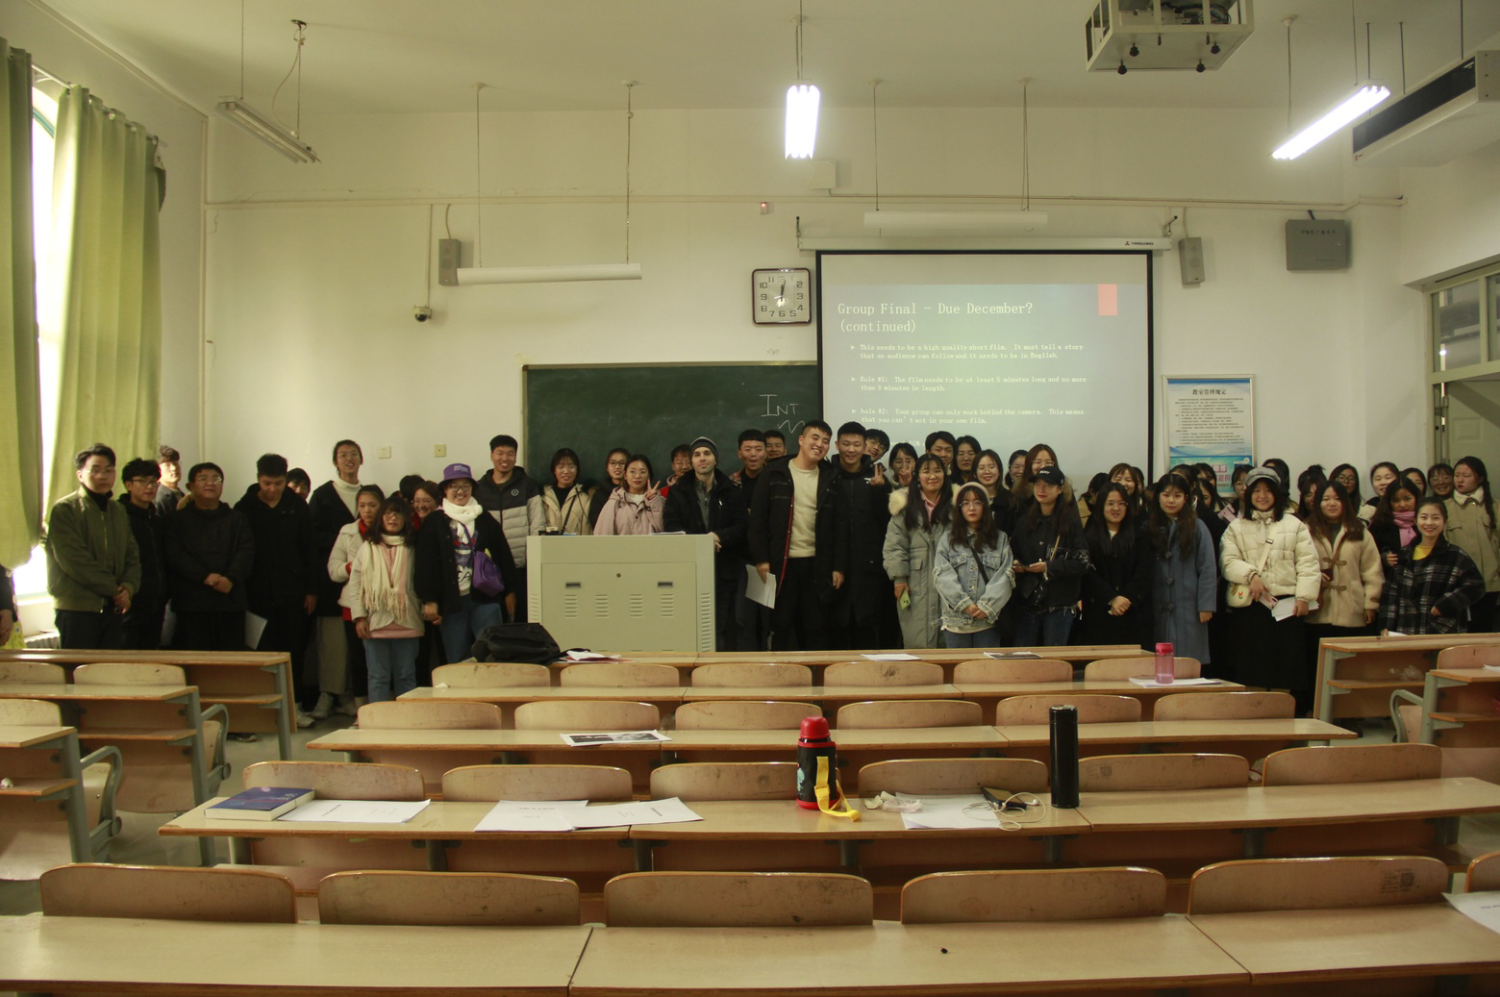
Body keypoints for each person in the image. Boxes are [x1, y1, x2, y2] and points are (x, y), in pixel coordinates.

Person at [1220, 466, 1320, 713]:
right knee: (1252, 666)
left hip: (1286, 607)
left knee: (1285, 667)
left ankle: (1281, 716)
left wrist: (1305, 596)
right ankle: (1254, 716)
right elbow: (1227, 561)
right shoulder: (1236, 527)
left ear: (1277, 493)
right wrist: (1250, 575)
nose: (1262, 496)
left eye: (1267, 490)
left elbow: (1308, 563)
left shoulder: (1295, 525)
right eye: (1256, 490)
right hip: (1252, 607)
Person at [748, 420, 850, 651]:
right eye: (815, 438)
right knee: (780, 624)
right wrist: (761, 559)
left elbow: (841, 526)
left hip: (818, 564)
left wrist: (839, 567)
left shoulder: (831, 477)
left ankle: (814, 671)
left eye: (825, 441)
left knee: (816, 626)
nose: (820, 444)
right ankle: (781, 671)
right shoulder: (774, 472)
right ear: (801, 440)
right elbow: (757, 521)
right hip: (781, 564)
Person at [235, 453, 319, 724]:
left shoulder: (297, 506)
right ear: (258, 479)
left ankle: (294, 708)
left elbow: (310, 550)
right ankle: (263, 711)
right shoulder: (244, 507)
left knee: (293, 651)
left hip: (293, 593)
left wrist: (311, 590)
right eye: (267, 483)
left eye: (278, 483)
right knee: (261, 653)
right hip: (257, 594)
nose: (272, 489)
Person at [416, 463, 519, 663]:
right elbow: (425, 565)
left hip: (484, 597)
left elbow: (503, 555)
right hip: (452, 601)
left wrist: (510, 590)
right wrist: (430, 599)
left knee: (492, 653)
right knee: (457, 658)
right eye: (454, 486)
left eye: (465, 486)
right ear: (445, 490)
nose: (460, 491)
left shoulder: (484, 518)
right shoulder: (434, 521)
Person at [45, 444, 140, 650]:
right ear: (80, 474)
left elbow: (132, 555)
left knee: (108, 667)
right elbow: (74, 561)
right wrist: (115, 590)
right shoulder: (66, 509)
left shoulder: (118, 510)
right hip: (78, 608)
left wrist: (128, 587)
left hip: (113, 608)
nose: (103, 476)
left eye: (109, 470)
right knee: (79, 667)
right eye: (95, 470)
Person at [663, 436, 747, 650]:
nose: (702, 458)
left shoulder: (731, 490)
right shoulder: (678, 491)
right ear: (691, 461)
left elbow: (741, 526)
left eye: (707, 453)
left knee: (719, 626)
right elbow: (672, 526)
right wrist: (703, 542)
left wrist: (717, 537)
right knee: (689, 627)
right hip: (688, 572)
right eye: (697, 454)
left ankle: (715, 668)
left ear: (715, 459)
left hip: (724, 570)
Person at [164, 462, 255, 651]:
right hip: (191, 603)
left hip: (230, 601)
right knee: (194, 657)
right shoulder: (177, 520)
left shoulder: (237, 518)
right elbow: (175, 554)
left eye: (216, 478)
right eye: (203, 478)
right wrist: (204, 576)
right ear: (190, 486)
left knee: (231, 659)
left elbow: (246, 552)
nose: (210, 483)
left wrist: (230, 578)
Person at [344, 497, 424, 702]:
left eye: (398, 513)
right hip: (375, 622)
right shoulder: (367, 547)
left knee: (406, 676)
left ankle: (407, 717)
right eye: (388, 513)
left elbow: (425, 582)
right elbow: (355, 584)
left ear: (406, 519)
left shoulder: (414, 547)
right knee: (378, 678)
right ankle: (377, 719)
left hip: (408, 621)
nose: (393, 517)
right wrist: (359, 617)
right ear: (381, 517)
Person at [308, 440, 363, 717]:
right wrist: (346, 545)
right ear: (335, 462)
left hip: (364, 586)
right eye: (343, 455)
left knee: (358, 644)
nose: (349, 459)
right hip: (331, 581)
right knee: (332, 644)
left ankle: (350, 695)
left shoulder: (369, 494)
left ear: (361, 460)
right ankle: (328, 695)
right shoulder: (322, 496)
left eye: (354, 454)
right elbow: (313, 537)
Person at [1379, 497, 1487, 636]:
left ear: (1445, 521)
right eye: (1424, 517)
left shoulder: (1456, 555)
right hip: (1406, 629)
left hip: (1443, 630)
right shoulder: (1404, 554)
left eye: (1435, 518)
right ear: (1415, 520)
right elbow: (1391, 594)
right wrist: (1386, 625)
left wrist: (1448, 603)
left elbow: (1476, 586)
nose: (1429, 523)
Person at [1009, 465, 1089, 646]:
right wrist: (1016, 564)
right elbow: (1013, 552)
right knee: (1022, 655)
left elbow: (1083, 562)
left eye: (1048, 485)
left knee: (1053, 657)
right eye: (1038, 484)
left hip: (1059, 603)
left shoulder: (1070, 523)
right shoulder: (1025, 521)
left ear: (1060, 489)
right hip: (1028, 599)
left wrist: (1049, 567)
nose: (1041, 489)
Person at [828, 421, 891, 650]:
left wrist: (879, 491)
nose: (851, 449)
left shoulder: (878, 478)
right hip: (834, 568)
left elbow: (887, 522)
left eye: (857, 444)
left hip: (870, 569)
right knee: (835, 630)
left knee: (867, 629)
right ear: (837, 445)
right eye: (846, 444)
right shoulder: (827, 475)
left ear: (864, 447)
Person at [1304, 481, 1383, 661]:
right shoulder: (1306, 531)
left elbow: (1372, 571)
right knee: (1317, 664)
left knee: (1348, 664)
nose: (1331, 503)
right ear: (1318, 503)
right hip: (1317, 610)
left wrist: (1370, 604)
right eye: (1326, 499)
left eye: (1337, 499)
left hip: (1352, 609)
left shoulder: (1360, 531)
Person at [324, 484, 384, 716]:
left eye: (372, 505)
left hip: (383, 605)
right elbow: (333, 570)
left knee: (381, 660)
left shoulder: (391, 528)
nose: (367, 510)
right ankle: (362, 709)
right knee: (358, 660)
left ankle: (383, 706)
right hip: (354, 604)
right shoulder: (348, 531)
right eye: (362, 505)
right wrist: (353, 567)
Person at [1145, 472, 1216, 666]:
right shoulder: (1148, 527)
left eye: (1177, 495)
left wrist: (1206, 605)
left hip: (1189, 605)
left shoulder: (1197, 526)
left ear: (1186, 499)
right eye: (1166, 495)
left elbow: (1207, 568)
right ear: (1158, 497)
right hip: (1157, 602)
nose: (1171, 500)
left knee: (1188, 660)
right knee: (1159, 662)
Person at [933, 483, 1013, 648]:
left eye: (977, 502)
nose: (971, 508)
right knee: (958, 664)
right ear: (959, 508)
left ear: (985, 506)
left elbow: (1006, 575)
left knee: (986, 665)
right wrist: (964, 604)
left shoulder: (1000, 539)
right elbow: (942, 575)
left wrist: (986, 606)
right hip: (956, 622)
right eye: (966, 503)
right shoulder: (947, 539)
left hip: (988, 622)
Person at [883, 453, 950, 649]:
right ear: (918, 476)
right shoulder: (904, 506)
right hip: (914, 583)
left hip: (950, 583)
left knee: (949, 645)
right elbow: (894, 546)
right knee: (918, 641)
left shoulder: (955, 506)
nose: (932, 476)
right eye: (926, 471)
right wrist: (899, 578)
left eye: (937, 471)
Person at [474, 434, 543, 622]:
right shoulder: (479, 489)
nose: (505, 458)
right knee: (493, 622)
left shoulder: (528, 485)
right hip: (488, 569)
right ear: (491, 455)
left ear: (516, 456)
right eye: (500, 453)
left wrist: (533, 559)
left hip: (520, 566)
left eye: (510, 454)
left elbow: (537, 523)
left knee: (521, 619)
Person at [1077, 482, 1151, 647]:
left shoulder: (1139, 535)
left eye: (1121, 503)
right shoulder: (1088, 537)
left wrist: (1125, 598)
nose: (1116, 508)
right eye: (1110, 503)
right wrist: (1111, 598)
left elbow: (1144, 571)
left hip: (1132, 612)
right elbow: (1087, 572)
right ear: (1101, 506)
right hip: (1098, 613)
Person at [1444, 455, 1500, 632]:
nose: (1460, 480)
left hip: (1489, 582)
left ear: (1480, 478)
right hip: (1457, 585)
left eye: (1466, 475)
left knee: (1484, 630)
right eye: (1457, 475)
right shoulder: (1445, 508)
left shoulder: (1495, 507)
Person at [117, 457, 167, 650]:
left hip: (156, 601)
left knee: (152, 654)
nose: (150, 487)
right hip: (129, 601)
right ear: (128, 484)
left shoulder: (156, 519)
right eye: (143, 481)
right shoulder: (119, 516)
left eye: (154, 482)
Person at [594, 455, 665, 535]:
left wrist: (654, 501)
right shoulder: (614, 503)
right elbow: (602, 536)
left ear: (649, 475)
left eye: (642, 472)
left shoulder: (658, 502)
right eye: (632, 471)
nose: (637, 476)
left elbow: (665, 532)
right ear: (625, 475)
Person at [1368, 478, 1422, 581]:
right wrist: (1383, 560)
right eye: (1396, 500)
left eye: (1407, 499)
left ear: (1416, 498)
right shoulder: (1379, 524)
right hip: (1390, 582)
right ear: (1389, 502)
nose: (1402, 504)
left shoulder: (1425, 522)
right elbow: (1367, 556)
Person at [542, 448, 593, 534]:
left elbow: (586, 532)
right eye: (561, 467)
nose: (566, 471)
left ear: (577, 470)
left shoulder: (584, 499)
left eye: (571, 467)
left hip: (575, 543)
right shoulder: (544, 497)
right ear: (554, 470)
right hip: (548, 543)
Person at [971, 449, 1015, 534]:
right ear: (974, 474)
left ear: (999, 471)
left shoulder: (1011, 500)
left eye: (991, 467)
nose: (987, 471)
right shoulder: (968, 500)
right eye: (981, 468)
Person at [588, 448, 631, 533]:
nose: (617, 467)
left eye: (622, 463)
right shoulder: (599, 494)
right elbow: (596, 522)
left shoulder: (635, 492)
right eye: (613, 463)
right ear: (607, 467)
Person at [155, 445, 184, 517]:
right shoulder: (159, 498)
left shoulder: (181, 495)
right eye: (167, 465)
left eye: (175, 463)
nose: (174, 468)